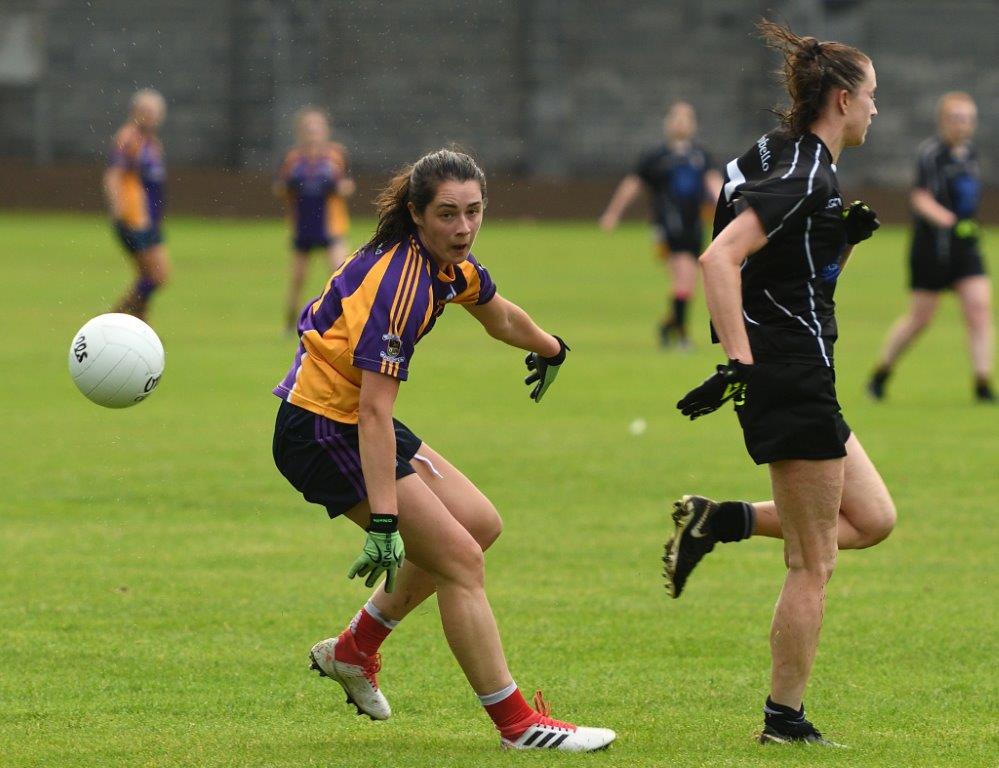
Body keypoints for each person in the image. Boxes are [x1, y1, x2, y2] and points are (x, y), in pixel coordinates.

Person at [271, 148, 615, 752]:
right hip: (323, 428)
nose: (463, 228)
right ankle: (519, 727)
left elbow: (500, 316)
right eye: (448, 215)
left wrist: (551, 346)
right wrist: (382, 521)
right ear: (417, 214)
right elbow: (375, 411)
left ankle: (354, 650)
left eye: (474, 212)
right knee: (460, 560)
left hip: (354, 417)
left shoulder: (450, 266)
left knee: (479, 524)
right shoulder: (400, 285)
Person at [664, 21, 896, 746]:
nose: (874, 111)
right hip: (786, 372)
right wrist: (738, 361)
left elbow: (784, 270)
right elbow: (717, 260)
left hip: (795, 367)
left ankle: (716, 520)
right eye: (870, 97)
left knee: (871, 520)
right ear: (838, 98)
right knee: (812, 560)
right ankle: (783, 722)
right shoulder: (802, 173)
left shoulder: (774, 156)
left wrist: (836, 245)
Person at [868, 92, 994, 402]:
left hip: (965, 245)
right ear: (943, 121)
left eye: (968, 119)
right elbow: (920, 198)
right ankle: (881, 373)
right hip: (932, 246)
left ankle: (983, 384)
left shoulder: (971, 155)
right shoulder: (931, 154)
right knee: (920, 318)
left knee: (979, 309)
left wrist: (965, 227)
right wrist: (948, 221)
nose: (962, 125)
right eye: (956, 118)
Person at [599, 101, 723, 347]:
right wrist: (613, 213)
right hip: (666, 228)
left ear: (693, 124)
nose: (681, 123)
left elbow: (715, 184)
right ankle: (682, 336)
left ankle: (668, 327)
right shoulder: (655, 157)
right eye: (676, 118)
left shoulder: (700, 155)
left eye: (687, 118)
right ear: (667, 123)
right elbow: (632, 185)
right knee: (684, 279)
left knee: (687, 284)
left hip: (694, 227)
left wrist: (730, 207)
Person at [276, 108, 356, 333]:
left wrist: (336, 187)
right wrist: (291, 185)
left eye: (317, 129)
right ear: (300, 132)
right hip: (303, 226)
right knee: (297, 280)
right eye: (308, 129)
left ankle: (347, 323)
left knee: (342, 275)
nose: (313, 134)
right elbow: (281, 188)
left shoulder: (336, 156)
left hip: (332, 226)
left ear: (325, 131)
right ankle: (290, 324)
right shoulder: (292, 159)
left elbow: (348, 186)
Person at [103, 89, 169, 321]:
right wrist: (118, 210)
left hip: (150, 219)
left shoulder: (152, 143)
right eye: (145, 111)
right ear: (135, 112)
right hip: (134, 217)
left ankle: (139, 326)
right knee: (155, 275)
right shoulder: (129, 139)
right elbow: (114, 175)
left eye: (154, 112)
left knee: (151, 276)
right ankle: (113, 320)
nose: (150, 116)